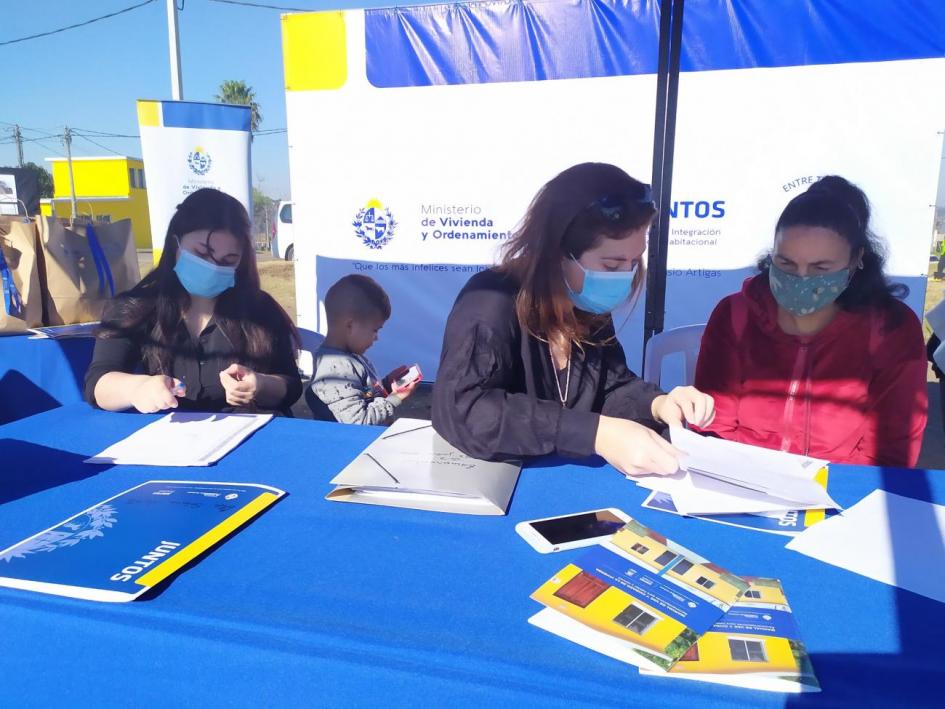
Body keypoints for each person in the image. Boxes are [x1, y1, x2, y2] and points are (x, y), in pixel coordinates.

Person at [432, 162, 715, 476]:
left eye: (634, 262)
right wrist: (594, 433)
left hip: (565, 486)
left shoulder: (586, 304)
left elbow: (609, 387)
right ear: (557, 252)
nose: (625, 276)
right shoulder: (489, 302)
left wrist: (657, 404)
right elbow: (467, 410)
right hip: (499, 487)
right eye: (611, 265)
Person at [695, 175, 927, 467]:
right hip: (743, 480)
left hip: (840, 490)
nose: (801, 279)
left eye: (821, 268)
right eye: (786, 264)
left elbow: (890, 448)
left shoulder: (892, 328)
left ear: (857, 260)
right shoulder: (734, 314)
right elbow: (714, 424)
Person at [85, 188, 302, 414]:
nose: (214, 267)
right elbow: (99, 383)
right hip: (169, 439)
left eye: (229, 260)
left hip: (247, 436)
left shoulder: (259, 309)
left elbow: (291, 385)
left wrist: (262, 385)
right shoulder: (135, 307)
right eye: (201, 254)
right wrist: (138, 388)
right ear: (174, 244)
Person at [308, 274, 419, 424]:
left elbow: (365, 395)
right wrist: (395, 398)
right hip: (353, 445)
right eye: (375, 330)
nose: (376, 337)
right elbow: (359, 421)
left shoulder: (349, 358)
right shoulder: (335, 368)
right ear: (350, 325)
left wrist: (387, 385)